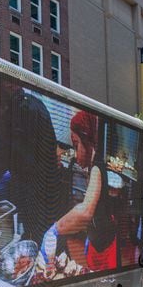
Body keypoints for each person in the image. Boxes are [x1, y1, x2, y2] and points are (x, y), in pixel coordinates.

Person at [42, 110, 116, 272]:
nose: (75, 154)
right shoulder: (92, 166)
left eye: (76, 145)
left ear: (87, 140)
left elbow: (86, 210)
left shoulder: (97, 167)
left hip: (105, 246)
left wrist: (54, 229)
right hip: (95, 240)